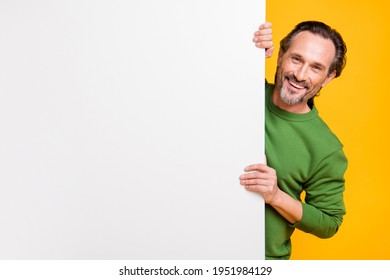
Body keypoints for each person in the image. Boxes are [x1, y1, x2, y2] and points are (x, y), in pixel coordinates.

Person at [239, 21, 348, 260]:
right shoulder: (241, 92)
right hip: (196, 244)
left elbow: (329, 222)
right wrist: (245, 50)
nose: (300, 75)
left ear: (329, 77)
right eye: (296, 59)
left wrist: (275, 196)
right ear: (280, 55)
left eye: (316, 67)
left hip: (262, 263)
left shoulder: (326, 148)